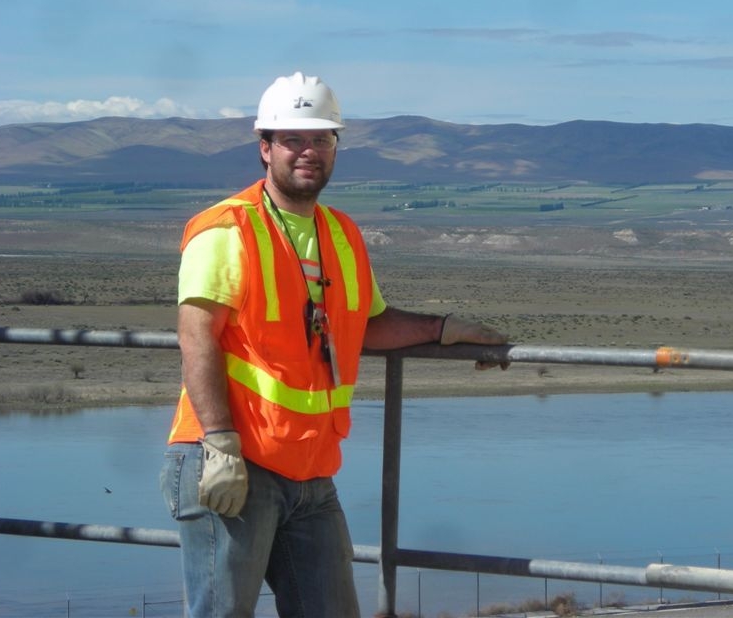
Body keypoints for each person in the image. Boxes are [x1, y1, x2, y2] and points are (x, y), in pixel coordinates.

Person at [160, 71, 508, 617]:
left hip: (311, 471)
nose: (308, 151)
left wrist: (444, 328)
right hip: (234, 460)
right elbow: (196, 335)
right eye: (293, 139)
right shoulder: (227, 229)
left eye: (321, 139)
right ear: (265, 148)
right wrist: (221, 444)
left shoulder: (341, 232)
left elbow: (368, 324)